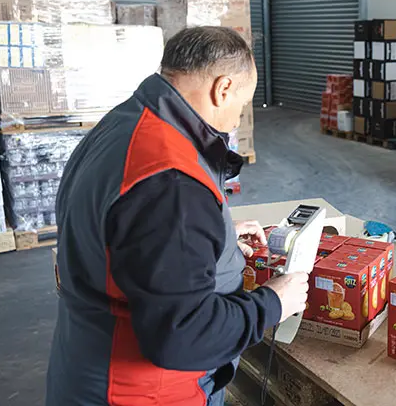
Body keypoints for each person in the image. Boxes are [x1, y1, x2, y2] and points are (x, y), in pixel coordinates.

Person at [46, 26, 309, 405]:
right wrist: (273, 303)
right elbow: (182, 336)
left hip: (86, 363)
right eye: (242, 105)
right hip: (142, 393)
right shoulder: (172, 182)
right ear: (223, 89)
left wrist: (211, 240)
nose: (237, 119)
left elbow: (127, 234)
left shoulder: (125, 123)